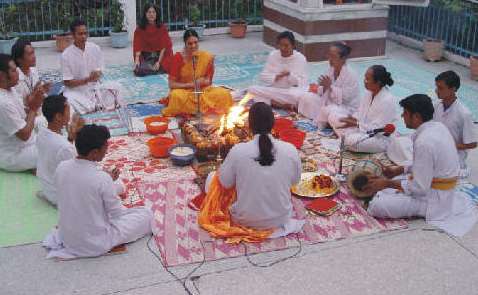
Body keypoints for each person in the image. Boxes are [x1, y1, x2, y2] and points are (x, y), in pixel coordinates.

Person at [364, 94, 477, 237]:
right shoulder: (438, 127)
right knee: (389, 184)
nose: (402, 116)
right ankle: (386, 187)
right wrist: (400, 169)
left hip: (434, 201)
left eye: (405, 113)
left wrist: (387, 183)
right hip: (437, 187)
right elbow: (425, 164)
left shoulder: (425, 141)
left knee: (377, 206)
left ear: (416, 116)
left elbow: (419, 188)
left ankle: (390, 197)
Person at [199, 102, 304, 243]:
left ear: (249, 126)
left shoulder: (238, 150)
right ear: (273, 124)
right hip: (281, 218)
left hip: (244, 220)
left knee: (213, 177)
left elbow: (225, 182)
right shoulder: (290, 149)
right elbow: (295, 181)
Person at [43, 125, 152, 259]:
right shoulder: (101, 178)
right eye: (105, 147)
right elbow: (117, 214)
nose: (107, 150)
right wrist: (108, 182)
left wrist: (107, 181)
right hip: (95, 243)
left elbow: (77, 188)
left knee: (112, 190)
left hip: (67, 237)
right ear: (94, 152)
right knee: (146, 214)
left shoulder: (62, 167)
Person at [161, 29, 233, 117]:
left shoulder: (206, 57)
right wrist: (192, 84)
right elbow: (171, 84)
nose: (193, 46)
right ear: (185, 43)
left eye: (195, 42)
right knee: (176, 96)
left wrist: (203, 82)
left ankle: (194, 109)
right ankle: (199, 108)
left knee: (224, 94)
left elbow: (208, 81)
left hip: (202, 91)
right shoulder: (178, 58)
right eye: (190, 43)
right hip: (185, 92)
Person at [61, 19, 124, 114]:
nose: (83, 36)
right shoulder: (66, 55)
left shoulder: (95, 48)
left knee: (117, 87)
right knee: (68, 100)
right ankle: (96, 106)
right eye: (80, 34)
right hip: (77, 92)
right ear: (73, 35)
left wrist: (97, 74)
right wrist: (87, 80)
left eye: (85, 33)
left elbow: (101, 69)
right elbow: (67, 82)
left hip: (95, 89)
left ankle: (94, 106)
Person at [36, 95, 84, 206]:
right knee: (116, 185)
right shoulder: (65, 147)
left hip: (46, 187)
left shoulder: (41, 133)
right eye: (68, 111)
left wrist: (71, 138)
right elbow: (78, 174)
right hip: (61, 196)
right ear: (58, 116)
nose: (70, 114)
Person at [298, 42, 360, 128]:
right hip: (329, 103)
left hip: (346, 108)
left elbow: (346, 98)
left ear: (343, 59)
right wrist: (322, 87)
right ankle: (317, 120)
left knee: (330, 112)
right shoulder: (330, 70)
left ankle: (325, 123)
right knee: (307, 97)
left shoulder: (351, 75)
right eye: (329, 56)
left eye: (333, 57)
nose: (330, 59)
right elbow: (322, 91)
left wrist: (330, 87)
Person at [337, 65, 397, 153]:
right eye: (365, 78)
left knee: (350, 141)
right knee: (337, 120)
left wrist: (356, 124)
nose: (364, 81)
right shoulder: (368, 93)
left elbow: (378, 129)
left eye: (368, 79)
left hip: (379, 138)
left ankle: (348, 140)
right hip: (363, 131)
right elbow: (359, 113)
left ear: (378, 82)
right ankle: (346, 138)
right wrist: (351, 118)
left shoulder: (387, 100)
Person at [0, 54, 43, 172]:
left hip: (25, 140)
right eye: (14, 71)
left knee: (49, 119)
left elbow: (23, 113)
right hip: (13, 153)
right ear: (2, 76)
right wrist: (34, 108)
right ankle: (33, 166)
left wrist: (34, 102)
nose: (18, 73)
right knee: (52, 149)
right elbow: (24, 135)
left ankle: (36, 165)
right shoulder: (2, 102)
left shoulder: (11, 89)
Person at [246, 31, 308, 109]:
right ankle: (281, 105)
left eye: (286, 45)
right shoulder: (273, 55)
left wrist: (289, 74)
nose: (282, 48)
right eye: (280, 45)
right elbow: (263, 76)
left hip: (290, 93)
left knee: (299, 96)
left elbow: (299, 83)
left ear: (293, 45)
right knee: (252, 89)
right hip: (274, 90)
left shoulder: (300, 58)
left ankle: (274, 103)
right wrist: (276, 77)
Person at [433, 70, 477, 177]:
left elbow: (472, 143)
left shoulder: (464, 114)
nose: (436, 91)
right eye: (436, 87)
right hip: (436, 152)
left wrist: (448, 145)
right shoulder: (436, 106)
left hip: (454, 158)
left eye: (441, 88)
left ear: (453, 89)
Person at [133, 3, 173, 76]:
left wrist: (158, 62)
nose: (151, 14)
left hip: (161, 56)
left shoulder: (162, 28)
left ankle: (154, 69)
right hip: (147, 57)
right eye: (149, 12)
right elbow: (137, 47)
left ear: (156, 14)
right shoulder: (140, 29)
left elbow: (164, 47)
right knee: (139, 70)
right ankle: (153, 69)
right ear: (145, 14)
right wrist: (137, 60)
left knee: (169, 66)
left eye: (153, 12)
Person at [11, 39, 51, 112]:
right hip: (28, 114)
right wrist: (36, 92)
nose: (34, 56)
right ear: (19, 59)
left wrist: (43, 90)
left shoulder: (33, 70)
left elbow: (42, 96)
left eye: (33, 53)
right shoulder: (15, 79)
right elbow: (23, 107)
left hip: (39, 108)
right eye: (30, 54)